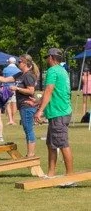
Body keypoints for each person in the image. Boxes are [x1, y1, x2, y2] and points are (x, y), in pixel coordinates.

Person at [36, 47, 74, 179]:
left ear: (51, 58)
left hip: (59, 112)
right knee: (51, 144)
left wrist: (40, 111)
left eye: (47, 57)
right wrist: (38, 102)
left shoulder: (52, 70)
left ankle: (70, 177)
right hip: (60, 111)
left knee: (62, 144)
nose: (47, 60)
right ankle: (51, 174)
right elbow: (56, 91)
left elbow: (49, 90)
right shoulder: (62, 70)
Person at [12, 54, 39, 159]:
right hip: (24, 106)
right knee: (27, 129)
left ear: (25, 63)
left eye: (20, 62)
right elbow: (6, 79)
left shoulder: (28, 75)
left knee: (28, 129)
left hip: (27, 105)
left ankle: (31, 154)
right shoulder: (22, 74)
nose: (18, 63)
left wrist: (17, 89)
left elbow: (31, 91)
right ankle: (30, 153)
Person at [2, 55, 20, 125]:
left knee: (8, 104)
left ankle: (10, 120)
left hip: (7, 88)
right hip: (15, 88)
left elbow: (3, 79)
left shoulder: (5, 69)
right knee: (14, 104)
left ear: (9, 62)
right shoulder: (18, 70)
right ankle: (13, 119)